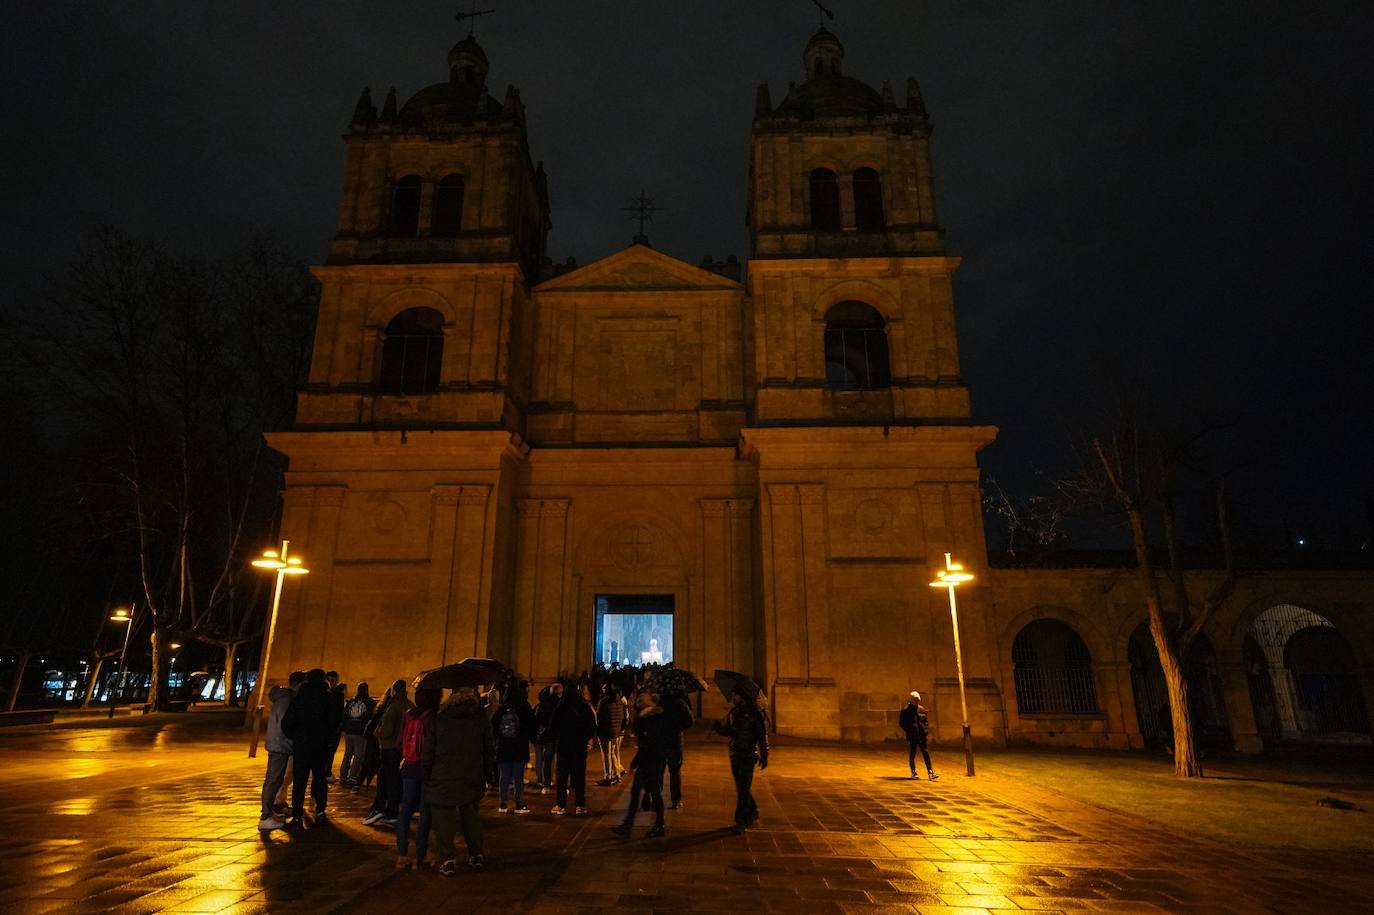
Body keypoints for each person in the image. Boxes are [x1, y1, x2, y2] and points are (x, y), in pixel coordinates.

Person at [424, 687, 496, 876]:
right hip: (471, 774)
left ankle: (448, 859)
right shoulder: (480, 719)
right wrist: (488, 775)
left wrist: (426, 774)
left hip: (442, 775)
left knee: (442, 818)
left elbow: (429, 750)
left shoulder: (439, 718)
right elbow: (489, 749)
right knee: (470, 815)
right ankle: (476, 854)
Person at [281, 667, 343, 826]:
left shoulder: (300, 697)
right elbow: (334, 722)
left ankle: (296, 814)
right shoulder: (328, 698)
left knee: (299, 781)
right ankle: (320, 809)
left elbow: (287, 722)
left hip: (302, 745)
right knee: (320, 779)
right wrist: (328, 739)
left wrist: (295, 737)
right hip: (320, 745)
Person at [610, 689, 672, 839]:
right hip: (650, 760)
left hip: (650, 761)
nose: (638, 703)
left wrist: (634, 762)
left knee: (653, 793)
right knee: (639, 792)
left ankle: (658, 825)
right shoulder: (647, 717)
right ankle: (630, 824)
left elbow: (648, 744)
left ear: (650, 701)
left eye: (641, 701)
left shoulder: (652, 718)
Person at [712, 686, 768, 834]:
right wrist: (719, 728)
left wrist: (765, 754)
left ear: (742, 696)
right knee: (741, 787)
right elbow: (731, 732)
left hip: (748, 754)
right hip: (734, 752)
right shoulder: (734, 712)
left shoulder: (755, 713)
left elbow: (762, 735)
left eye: (735, 695)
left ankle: (740, 821)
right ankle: (753, 809)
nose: (732, 698)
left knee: (743, 788)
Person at [395, 687, 439, 869]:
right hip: (426, 770)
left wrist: (409, 755)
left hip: (409, 767)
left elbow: (399, 743)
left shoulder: (408, 715)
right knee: (425, 812)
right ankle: (421, 855)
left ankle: (402, 854)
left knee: (405, 810)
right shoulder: (432, 717)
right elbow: (434, 746)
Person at [257, 669, 305, 831]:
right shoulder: (287, 700)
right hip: (280, 744)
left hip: (277, 743)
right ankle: (265, 816)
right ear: (299, 684)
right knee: (273, 780)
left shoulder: (282, 698)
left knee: (275, 780)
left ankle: (269, 812)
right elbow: (286, 725)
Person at [365, 679, 410, 827]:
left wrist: (377, 731)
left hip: (388, 747)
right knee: (387, 777)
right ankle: (382, 808)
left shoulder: (393, 706)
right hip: (400, 749)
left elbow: (386, 730)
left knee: (388, 779)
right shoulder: (408, 704)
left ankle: (390, 811)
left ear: (393, 691)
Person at [549, 682, 596, 815]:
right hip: (579, 747)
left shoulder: (561, 708)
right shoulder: (584, 708)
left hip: (564, 747)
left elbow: (553, 727)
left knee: (562, 778)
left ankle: (560, 805)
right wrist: (584, 738)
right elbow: (592, 726)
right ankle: (580, 805)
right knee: (580, 777)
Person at [492, 685, 534, 814]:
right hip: (519, 748)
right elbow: (531, 726)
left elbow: (493, 727)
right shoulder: (524, 709)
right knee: (518, 777)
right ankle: (519, 804)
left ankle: (503, 803)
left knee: (503, 776)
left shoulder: (501, 710)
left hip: (504, 747)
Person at [662, 692, 695, 808]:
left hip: (661, 741)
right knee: (675, 772)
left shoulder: (658, 702)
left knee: (659, 772)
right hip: (675, 741)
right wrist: (679, 727)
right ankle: (676, 800)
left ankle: (657, 799)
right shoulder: (680, 703)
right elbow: (690, 721)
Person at [339, 682, 375, 787]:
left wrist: (345, 728)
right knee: (358, 755)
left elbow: (344, 715)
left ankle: (343, 776)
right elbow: (370, 717)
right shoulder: (370, 702)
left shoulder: (351, 702)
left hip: (349, 731)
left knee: (347, 754)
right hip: (360, 732)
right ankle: (352, 777)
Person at [898, 691, 938, 780]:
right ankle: (913, 772)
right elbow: (902, 723)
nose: (917, 702)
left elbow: (925, 721)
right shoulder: (906, 710)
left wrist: (925, 730)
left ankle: (930, 771)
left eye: (918, 700)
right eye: (915, 700)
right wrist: (909, 730)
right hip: (913, 735)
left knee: (925, 753)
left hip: (921, 735)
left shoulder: (921, 709)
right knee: (912, 753)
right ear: (911, 700)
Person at [595, 685, 628, 786]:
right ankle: (617, 774)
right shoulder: (620, 702)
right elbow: (623, 717)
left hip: (605, 731)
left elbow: (599, 717)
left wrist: (597, 729)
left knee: (606, 754)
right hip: (616, 732)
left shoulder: (604, 702)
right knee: (613, 753)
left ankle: (608, 776)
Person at [533, 683, 561, 794]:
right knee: (559, 760)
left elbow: (537, 720)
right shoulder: (562, 704)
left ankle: (546, 783)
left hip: (548, 736)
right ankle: (559, 782)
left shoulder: (543, 704)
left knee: (547, 760)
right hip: (559, 736)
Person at [324, 671, 345, 782]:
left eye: (332, 680)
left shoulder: (338, 694)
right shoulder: (323, 692)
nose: (330, 683)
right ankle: (325, 772)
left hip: (334, 728)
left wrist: (339, 727)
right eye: (328, 680)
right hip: (324, 728)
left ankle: (327, 771)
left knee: (331, 751)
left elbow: (340, 712)